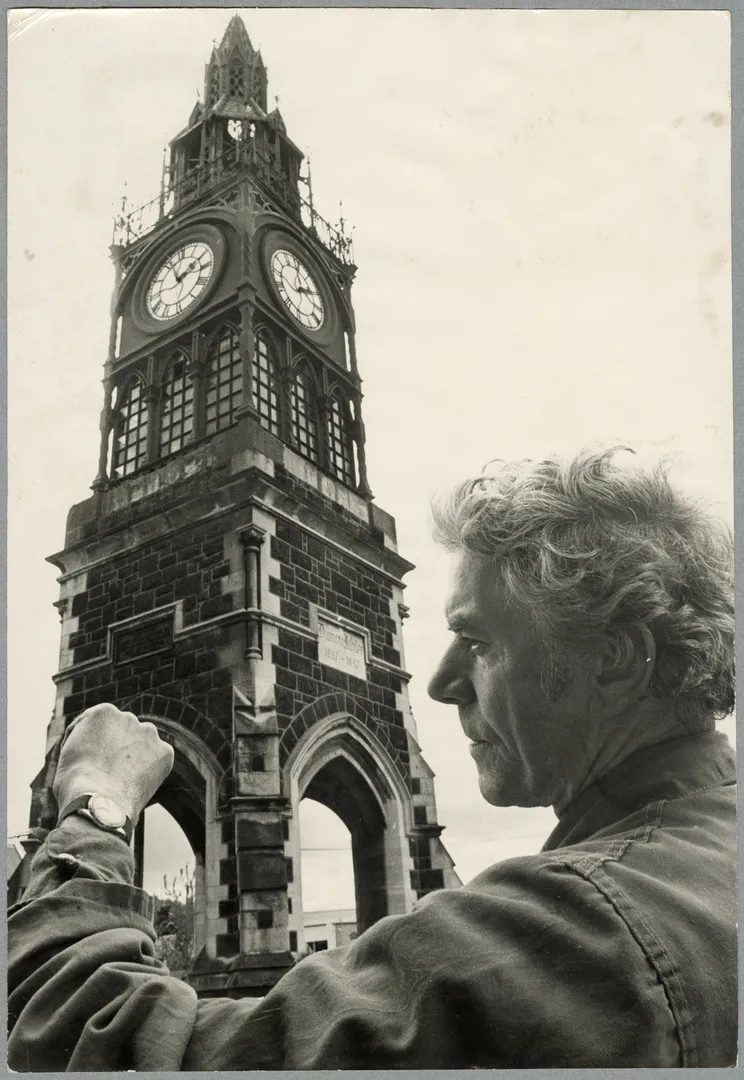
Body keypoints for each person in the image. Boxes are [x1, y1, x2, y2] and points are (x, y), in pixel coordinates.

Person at [8, 447, 736, 1069]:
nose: (443, 682)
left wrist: (96, 807)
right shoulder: (710, 850)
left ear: (615, 659)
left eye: (480, 642)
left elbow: (102, 1046)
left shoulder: (571, 932)